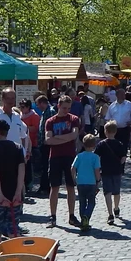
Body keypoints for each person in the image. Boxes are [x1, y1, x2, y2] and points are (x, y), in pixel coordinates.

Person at [44, 95, 81, 228]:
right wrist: (65, 138)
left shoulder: (74, 119)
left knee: (71, 187)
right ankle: (52, 216)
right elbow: (48, 140)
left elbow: (74, 135)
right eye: (64, 108)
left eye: (69, 108)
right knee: (54, 187)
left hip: (70, 156)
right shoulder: (50, 121)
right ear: (58, 106)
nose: (66, 110)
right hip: (55, 157)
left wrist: (57, 137)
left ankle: (71, 215)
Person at [0, 89, 31, 166]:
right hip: (0, 156)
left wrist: (24, 152)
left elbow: (23, 136)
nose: (10, 101)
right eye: (8, 98)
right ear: (2, 99)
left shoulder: (17, 116)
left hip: (16, 156)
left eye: (13, 98)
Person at [96, 121, 127, 224]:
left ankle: (110, 214)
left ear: (105, 131)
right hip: (117, 171)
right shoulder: (119, 144)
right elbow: (123, 158)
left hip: (105, 171)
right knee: (116, 191)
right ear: (116, 131)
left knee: (107, 192)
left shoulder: (101, 144)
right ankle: (116, 208)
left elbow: (96, 156)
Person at [73, 134, 102, 232]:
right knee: (91, 202)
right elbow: (96, 170)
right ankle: (86, 216)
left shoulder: (79, 156)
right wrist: (98, 179)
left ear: (83, 144)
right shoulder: (95, 157)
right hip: (91, 183)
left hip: (80, 182)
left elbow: (73, 168)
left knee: (82, 202)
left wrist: (74, 178)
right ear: (94, 145)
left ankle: (83, 221)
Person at [19, 99, 41, 193]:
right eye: (20, 107)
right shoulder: (19, 116)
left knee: (29, 165)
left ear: (28, 107)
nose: (21, 109)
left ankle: (29, 184)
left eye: (23, 107)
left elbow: (35, 129)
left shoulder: (34, 116)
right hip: (21, 143)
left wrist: (23, 127)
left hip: (32, 143)